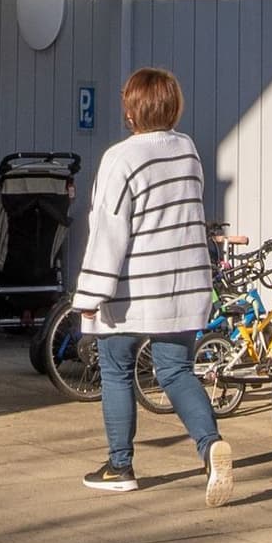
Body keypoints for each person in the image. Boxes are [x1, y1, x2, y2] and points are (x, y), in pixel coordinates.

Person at [67, 66, 233, 502]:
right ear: (173, 105)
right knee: (176, 371)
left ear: (132, 109)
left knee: (117, 371)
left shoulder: (122, 158)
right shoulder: (188, 151)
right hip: (181, 287)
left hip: (130, 289)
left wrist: (90, 294)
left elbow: (108, 230)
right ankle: (211, 445)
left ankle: (120, 466)